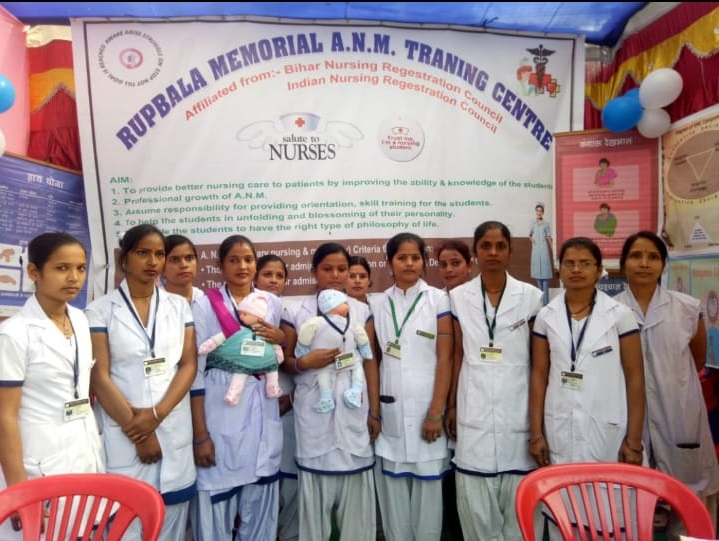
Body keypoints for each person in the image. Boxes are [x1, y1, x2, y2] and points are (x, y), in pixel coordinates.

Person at [86, 224, 197, 541]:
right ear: (124, 259)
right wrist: (141, 433)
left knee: (172, 526)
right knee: (127, 527)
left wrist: (157, 415)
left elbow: (188, 364)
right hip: (127, 433)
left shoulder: (179, 306)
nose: (152, 261)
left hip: (171, 426)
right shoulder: (99, 311)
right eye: (143, 253)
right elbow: (99, 377)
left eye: (159, 254)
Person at [529, 237, 645, 538]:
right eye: (569, 263)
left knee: (609, 520)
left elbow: (635, 378)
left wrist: (634, 441)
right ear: (559, 269)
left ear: (599, 270)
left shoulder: (619, 315)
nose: (577, 269)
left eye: (585, 263)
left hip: (608, 432)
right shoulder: (546, 316)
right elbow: (539, 375)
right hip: (560, 429)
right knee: (564, 520)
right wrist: (536, 434)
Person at [0, 233, 104, 539]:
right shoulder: (14, 334)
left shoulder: (81, 320)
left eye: (81, 268)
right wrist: (19, 491)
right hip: (37, 466)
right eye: (62, 268)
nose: (74, 278)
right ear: (34, 272)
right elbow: (5, 416)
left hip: (83, 454)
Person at [445, 221, 543, 541]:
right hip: (473, 416)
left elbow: (539, 365)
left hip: (518, 416)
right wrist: (452, 406)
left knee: (520, 523)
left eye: (500, 246)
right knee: (477, 519)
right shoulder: (458, 298)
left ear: (510, 251)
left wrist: (538, 425)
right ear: (476, 251)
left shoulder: (531, 297)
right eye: (485, 246)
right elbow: (457, 355)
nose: (493, 252)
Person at [616, 231, 719, 535]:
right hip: (631, 422)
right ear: (623, 264)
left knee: (691, 510)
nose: (644, 263)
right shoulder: (610, 311)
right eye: (636, 256)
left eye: (653, 257)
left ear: (663, 264)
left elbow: (697, 360)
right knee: (632, 510)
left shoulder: (687, 308)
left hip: (681, 418)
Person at [189, 235, 285, 541]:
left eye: (248, 259)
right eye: (234, 260)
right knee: (218, 498)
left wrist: (280, 339)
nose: (242, 266)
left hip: (263, 403)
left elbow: (273, 349)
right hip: (221, 407)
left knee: (261, 498)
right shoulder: (205, 304)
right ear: (220, 265)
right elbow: (195, 370)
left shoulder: (271, 302)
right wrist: (200, 435)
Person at [280, 242, 378, 541]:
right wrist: (305, 363)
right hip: (314, 409)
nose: (335, 275)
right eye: (327, 269)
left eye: (342, 269)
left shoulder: (361, 311)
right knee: (314, 504)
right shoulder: (295, 311)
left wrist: (374, 411)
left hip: (353, 409)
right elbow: (286, 361)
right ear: (313, 271)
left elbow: (370, 362)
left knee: (356, 504)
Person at [369, 232, 453, 541]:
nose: (409, 263)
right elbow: (373, 359)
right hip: (390, 412)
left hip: (427, 413)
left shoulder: (438, 300)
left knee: (428, 503)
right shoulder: (378, 303)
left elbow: (446, 358)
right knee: (393, 503)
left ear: (423, 261)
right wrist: (374, 412)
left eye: (415, 257)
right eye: (402, 257)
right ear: (389, 262)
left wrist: (435, 412)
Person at [255, 255, 297, 541]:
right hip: (254, 407)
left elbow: (299, 363)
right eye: (267, 274)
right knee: (261, 481)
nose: (273, 280)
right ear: (255, 277)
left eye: (279, 276)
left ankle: (291, 535)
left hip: (289, 407)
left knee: (291, 481)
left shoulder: (293, 313)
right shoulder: (244, 314)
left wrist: (291, 398)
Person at [295, 289, 372, 413]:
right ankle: (326, 398)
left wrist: (365, 348)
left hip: (349, 359)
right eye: (344, 303)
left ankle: (355, 391)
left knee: (358, 368)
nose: (348, 306)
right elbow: (306, 332)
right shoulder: (318, 321)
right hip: (326, 361)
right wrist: (303, 348)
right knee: (323, 374)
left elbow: (361, 334)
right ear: (332, 305)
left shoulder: (352, 322)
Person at [163, 234, 204, 304]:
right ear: (161, 268)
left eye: (189, 258)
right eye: (175, 259)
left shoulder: (204, 300)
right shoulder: (154, 303)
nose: (184, 265)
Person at [529, 203, 554, 305]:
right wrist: (532, 239)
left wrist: (553, 249)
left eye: (541, 211)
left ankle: (546, 303)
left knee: (545, 277)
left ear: (543, 212)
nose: (539, 212)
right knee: (538, 277)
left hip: (544, 250)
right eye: (537, 210)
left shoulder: (546, 224)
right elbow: (530, 234)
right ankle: (541, 302)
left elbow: (549, 237)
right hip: (535, 251)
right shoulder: (533, 223)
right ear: (536, 211)